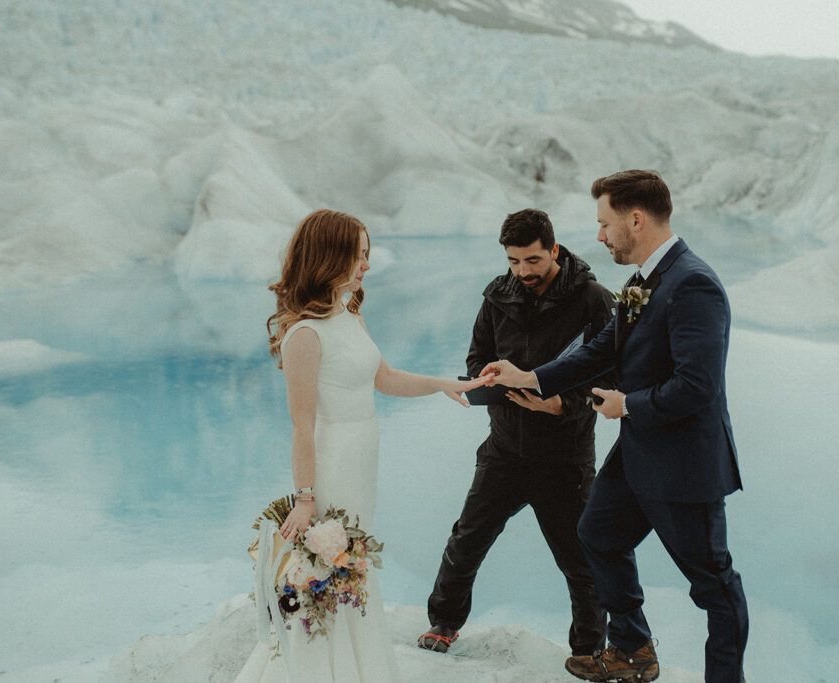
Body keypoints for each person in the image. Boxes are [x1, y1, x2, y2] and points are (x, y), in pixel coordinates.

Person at [481, 171, 749, 683]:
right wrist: (532, 376)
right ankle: (632, 650)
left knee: (714, 587)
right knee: (597, 535)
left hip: (685, 464)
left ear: (635, 218)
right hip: (638, 454)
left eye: (604, 224)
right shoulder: (641, 282)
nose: (600, 235)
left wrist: (628, 406)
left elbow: (699, 388)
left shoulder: (693, 283)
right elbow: (602, 351)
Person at [235, 209, 485, 683]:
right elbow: (301, 425)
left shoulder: (349, 312)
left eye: (367, 255)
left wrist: (443, 384)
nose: (367, 265)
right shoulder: (304, 335)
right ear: (331, 257)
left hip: (362, 456)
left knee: (355, 568)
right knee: (331, 571)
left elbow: (384, 378)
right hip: (331, 462)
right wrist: (306, 498)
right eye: (360, 255)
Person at [418, 209, 613, 657]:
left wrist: (560, 402)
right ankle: (443, 623)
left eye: (533, 260)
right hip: (504, 448)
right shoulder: (497, 296)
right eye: (514, 261)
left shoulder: (595, 301)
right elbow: (475, 360)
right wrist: (486, 378)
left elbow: (613, 379)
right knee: (466, 541)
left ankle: (588, 650)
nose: (523, 271)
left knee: (582, 563)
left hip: (565, 458)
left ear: (554, 251)